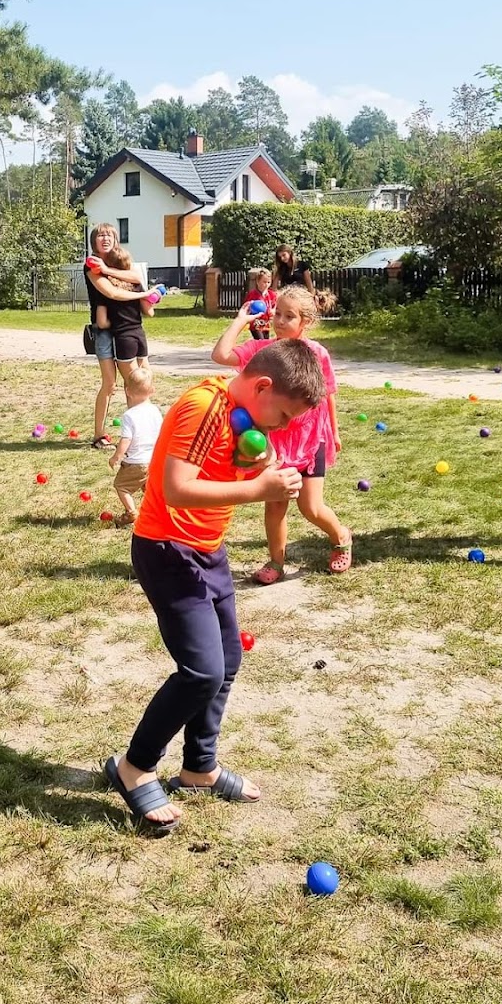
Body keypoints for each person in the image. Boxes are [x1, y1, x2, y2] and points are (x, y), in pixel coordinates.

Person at [104, 340, 326, 833]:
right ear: (263, 387)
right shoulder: (204, 406)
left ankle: (198, 768)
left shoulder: (242, 415)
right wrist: (258, 489)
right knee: (201, 671)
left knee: (227, 661)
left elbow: (228, 467)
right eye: (285, 414)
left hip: (208, 549)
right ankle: (134, 767)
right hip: (167, 549)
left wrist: (257, 461)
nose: (285, 425)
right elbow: (177, 488)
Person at [211, 284, 351, 583]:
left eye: (289, 316)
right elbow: (221, 356)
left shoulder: (317, 353)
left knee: (311, 507)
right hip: (277, 441)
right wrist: (240, 321)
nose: (279, 321)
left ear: (305, 322)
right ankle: (276, 562)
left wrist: (335, 433)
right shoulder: (263, 351)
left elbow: (328, 395)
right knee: (275, 505)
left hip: (313, 440)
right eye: (278, 313)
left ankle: (341, 536)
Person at [84, 224, 156, 450]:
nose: (105, 238)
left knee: (134, 382)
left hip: (128, 331)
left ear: (116, 240)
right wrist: (146, 293)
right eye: (100, 235)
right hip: (105, 332)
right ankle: (99, 435)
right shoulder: (92, 265)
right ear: (93, 241)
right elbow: (112, 292)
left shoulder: (120, 262)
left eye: (109, 235)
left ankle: (136, 432)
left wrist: (111, 268)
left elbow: (135, 275)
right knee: (110, 384)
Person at [107, 366, 163, 527]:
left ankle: (131, 512)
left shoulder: (129, 415)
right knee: (149, 487)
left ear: (128, 392)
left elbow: (126, 439)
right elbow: (161, 432)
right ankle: (157, 512)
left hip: (136, 462)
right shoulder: (154, 411)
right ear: (152, 390)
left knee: (122, 486)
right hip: (153, 460)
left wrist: (116, 457)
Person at [244, 267, 277, 341]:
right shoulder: (252, 295)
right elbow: (247, 306)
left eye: (268, 282)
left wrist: (273, 310)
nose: (266, 285)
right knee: (260, 341)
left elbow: (276, 305)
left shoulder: (272, 294)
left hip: (266, 323)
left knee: (265, 342)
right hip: (256, 323)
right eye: (264, 282)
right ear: (258, 282)